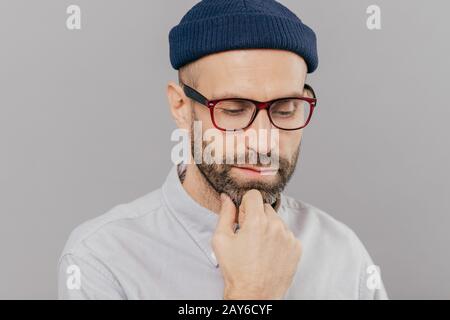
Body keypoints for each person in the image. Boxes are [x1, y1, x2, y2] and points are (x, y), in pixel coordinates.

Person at [58, 0, 388, 299]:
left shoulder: (343, 255)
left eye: (286, 108)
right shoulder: (102, 260)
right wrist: (251, 296)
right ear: (180, 107)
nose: (263, 140)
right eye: (232, 110)